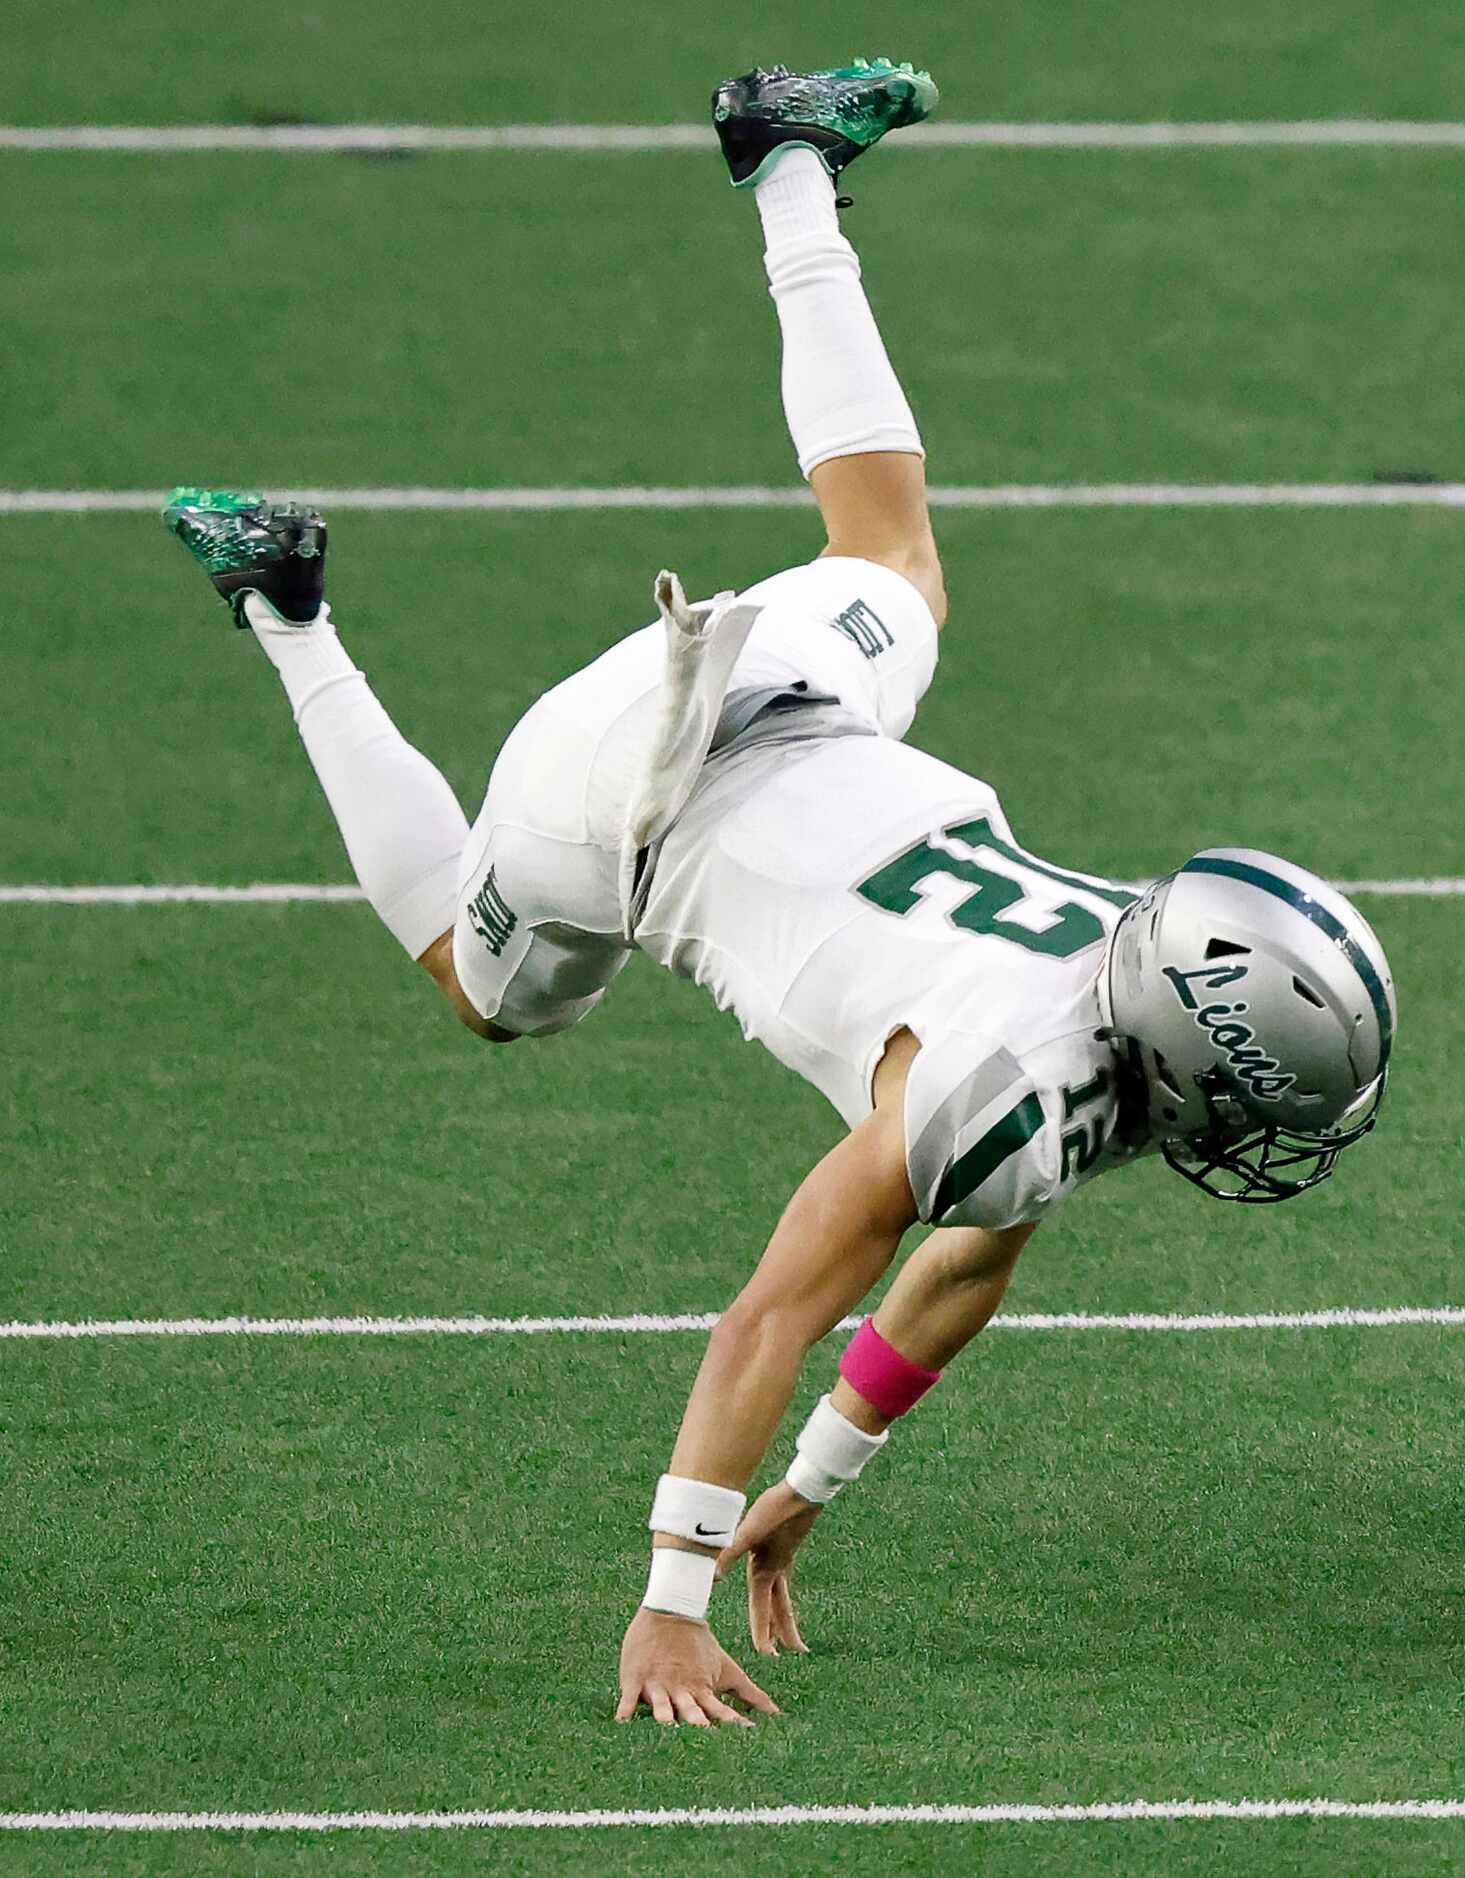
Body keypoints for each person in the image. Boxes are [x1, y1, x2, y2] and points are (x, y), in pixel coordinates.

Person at [165, 59, 1396, 1731]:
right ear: (1191, 1044)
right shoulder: (989, 1089)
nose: (1257, 1127)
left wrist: (815, 1480)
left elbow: (970, 1261)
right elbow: (773, 1307)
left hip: (790, 685)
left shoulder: (1108, 995)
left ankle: (788, 160)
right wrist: (669, 1601)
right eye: (1258, 1093)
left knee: (892, 549)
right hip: (624, 790)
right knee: (482, 973)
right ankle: (287, 605)